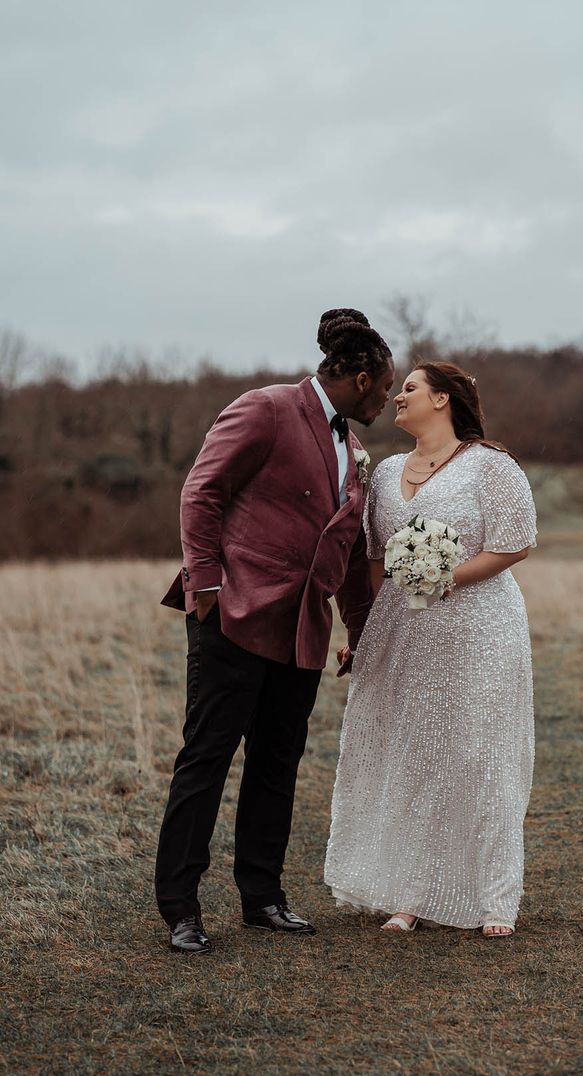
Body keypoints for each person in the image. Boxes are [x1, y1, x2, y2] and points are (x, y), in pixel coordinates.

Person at [155, 309, 394, 953]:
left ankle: (261, 897)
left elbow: (344, 549)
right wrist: (205, 587)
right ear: (363, 377)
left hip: (302, 635)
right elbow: (201, 493)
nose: (391, 400)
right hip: (231, 615)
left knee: (276, 766)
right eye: (386, 385)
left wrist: (360, 628)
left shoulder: (356, 453)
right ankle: (180, 907)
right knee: (206, 760)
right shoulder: (265, 408)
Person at [325, 361, 537, 936]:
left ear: (443, 399)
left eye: (410, 388)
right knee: (414, 755)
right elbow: (373, 559)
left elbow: (515, 544)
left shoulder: (490, 466)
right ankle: (409, 894)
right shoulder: (388, 470)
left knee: (481, 753)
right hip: (406, 631)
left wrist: (447, 578)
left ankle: (494, 899)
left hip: (481, 628)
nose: (397, 397)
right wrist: (366, 634)